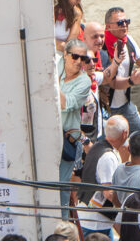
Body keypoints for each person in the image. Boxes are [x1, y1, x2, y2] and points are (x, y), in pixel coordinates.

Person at [76, 115, 130, 237]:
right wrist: (122, 207)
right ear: (124, 134)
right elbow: (108, 192)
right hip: (95, 224)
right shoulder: (108, 157)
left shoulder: (98, 147)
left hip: (95, 219)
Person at [58, 38, 92, 213]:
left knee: (62, 187)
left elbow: (66, 103)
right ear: (65, 55)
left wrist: (51, 79)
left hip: (66, 141)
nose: (79, 61)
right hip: (46, 135)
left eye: (83, 58)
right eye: (75, 56)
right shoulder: (56, 64)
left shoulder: (83, 82)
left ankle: (62, 225)